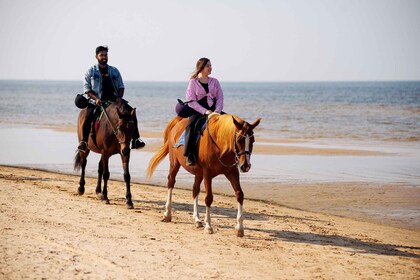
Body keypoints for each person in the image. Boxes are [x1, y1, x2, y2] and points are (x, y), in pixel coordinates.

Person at [77, 46, 145, 152]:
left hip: (113, 100)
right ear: (96, 56)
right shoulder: (90, 71)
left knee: (131, 112)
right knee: (88, 117)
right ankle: (84, 142)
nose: (104, 57)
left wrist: (119, 99)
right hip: (96, 101)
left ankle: (136, 139)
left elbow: (121, 86)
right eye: (101, 55)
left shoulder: (114, 71)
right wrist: (96, 99)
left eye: (105, 55)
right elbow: (87, 89)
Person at [184, 57, 224, 166]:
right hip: (198, 110)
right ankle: (190, 154)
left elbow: (220, 97)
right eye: (208, 66)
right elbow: (191, 101)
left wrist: (217, 111)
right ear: (201, 68)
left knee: (230, 122)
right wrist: (205, 112)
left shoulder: (215, 81)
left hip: (214, 110)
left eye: (211, 65)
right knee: (191, 126)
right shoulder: (193, 82)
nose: (210, 68)